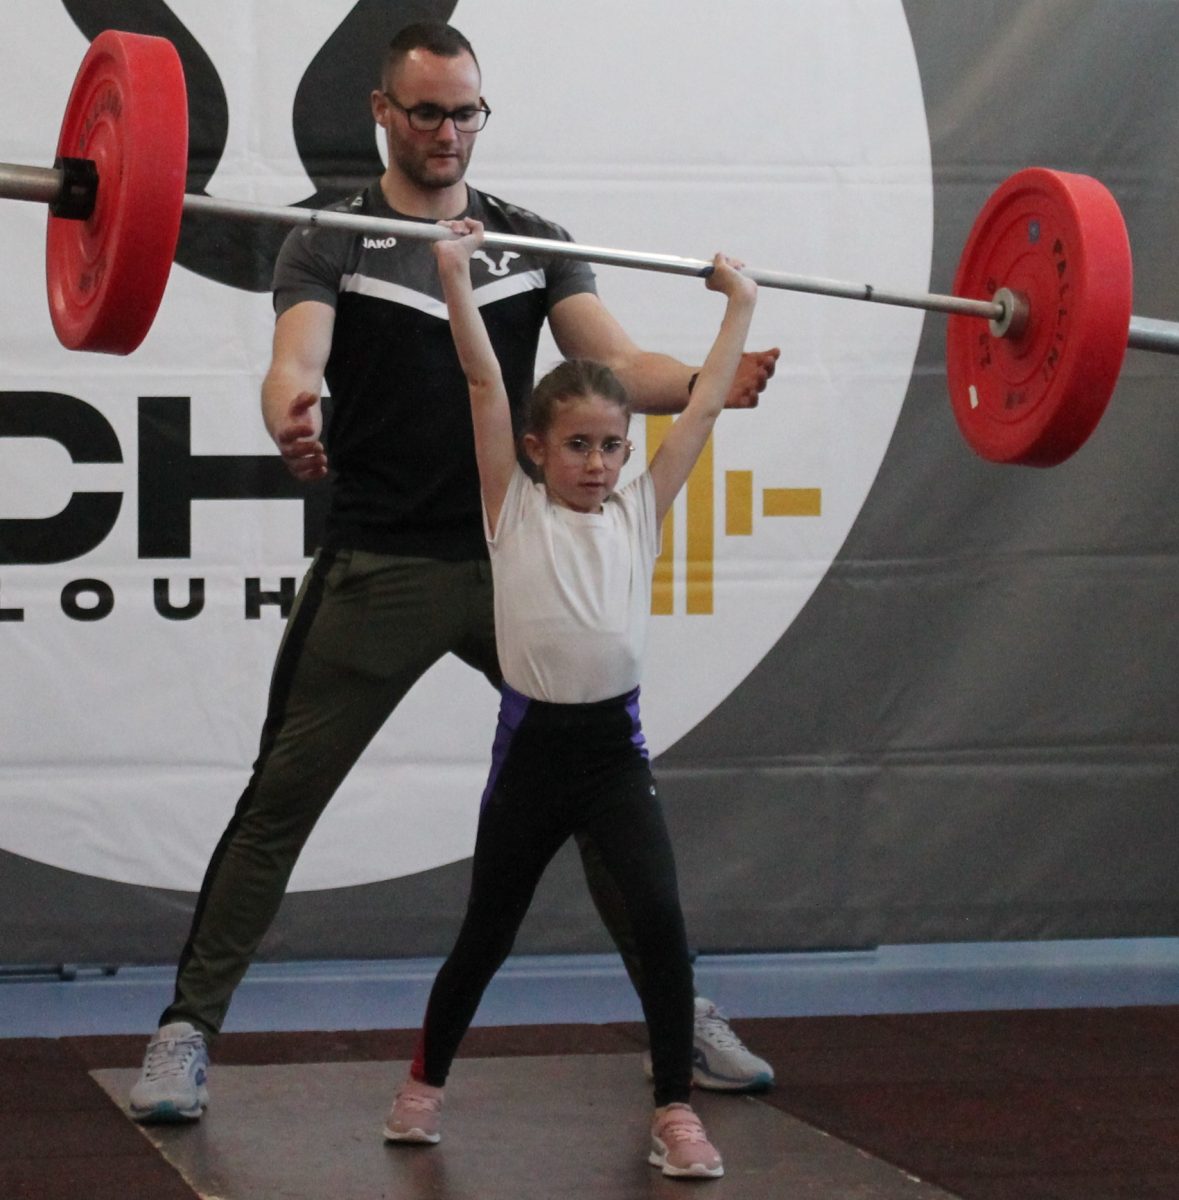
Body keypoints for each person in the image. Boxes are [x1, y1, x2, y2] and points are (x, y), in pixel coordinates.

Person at [128, 20, 779, 1125]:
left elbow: (620, 365)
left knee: (600, 791)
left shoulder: (530, 241)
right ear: (383, 112)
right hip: (379, 567)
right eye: (426, 112)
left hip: (516, 567)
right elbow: (295, 360)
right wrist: (289, 410)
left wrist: (715, 378)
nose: (447, 132)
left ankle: (680, 1018)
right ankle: (186, 1032)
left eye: (464, 112)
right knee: (280, 801)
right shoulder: (329, 238)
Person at [382, 221, 758, 1180]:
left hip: (612, 759)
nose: (596, 463)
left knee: (661, 922)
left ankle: (674, 1109)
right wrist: (453, 274)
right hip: (533, 757)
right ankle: (422, 1084)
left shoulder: (639, 510)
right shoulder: (510, 507)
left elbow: (704, 406)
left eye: (611, 446)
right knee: (486, 935)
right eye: (578, 446)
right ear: (536, 449)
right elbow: (481, 381)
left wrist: (740, 306)